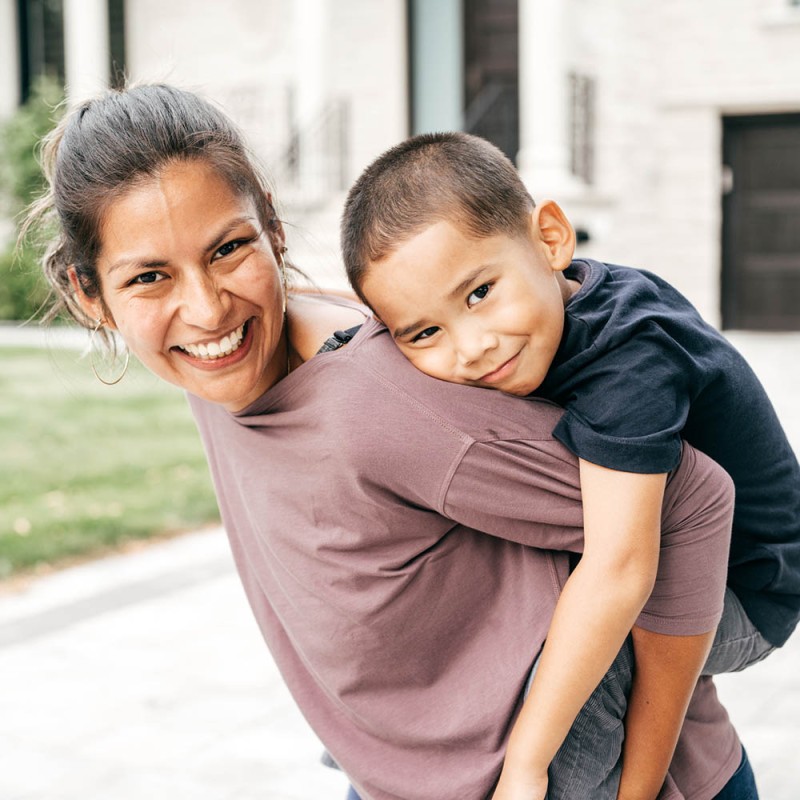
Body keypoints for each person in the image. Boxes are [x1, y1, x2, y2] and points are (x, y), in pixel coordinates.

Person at [30, 83, 750, 800]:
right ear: (91, 296)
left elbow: (690, 501)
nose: (206, 307)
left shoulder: (377, 401)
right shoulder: (220, 362)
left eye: (228, 249)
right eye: (149, 276)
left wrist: (638, 783)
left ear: (273, 230)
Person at [341, 131, 800, 798]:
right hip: (654, 548)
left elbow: (620, 572)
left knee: (579, 642)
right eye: (425, 332)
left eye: (479, 293)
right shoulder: (540, 307)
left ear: (551, 239)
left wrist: (528, 763)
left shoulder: (629, 363)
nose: (471, 347)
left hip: (750, 589)